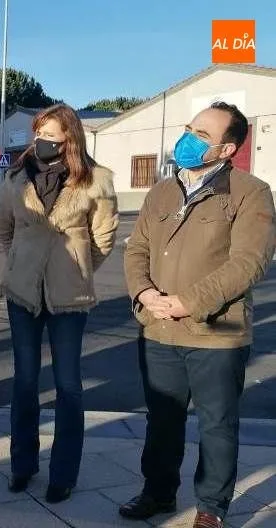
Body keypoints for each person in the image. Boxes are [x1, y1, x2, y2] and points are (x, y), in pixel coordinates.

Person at [121, 103, 275, 528]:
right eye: (190, 128)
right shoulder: (162, 191)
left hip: (215, 335)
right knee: (162, 421)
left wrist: (189, 302)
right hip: (158, 331)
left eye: (202, 134)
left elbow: (248, 263)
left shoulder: (251, 192)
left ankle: (211, 507)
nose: (189, 137)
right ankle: (158, 493)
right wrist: (145, 293)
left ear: (226, 149)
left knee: (217, 425)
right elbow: (136, 249)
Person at [0, 104, 119, 503]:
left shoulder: (96, 180)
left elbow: (103, 237)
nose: (42, 142)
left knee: (69, 386)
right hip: (22, 292)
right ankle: (22, 465)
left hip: (69, 297)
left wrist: (77, 267)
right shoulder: (16, 177)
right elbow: (5, 229)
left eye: (51, 135)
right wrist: (22, 262)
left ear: (71, 139)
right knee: (25, 381)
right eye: (38, 133)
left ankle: (63, 474)